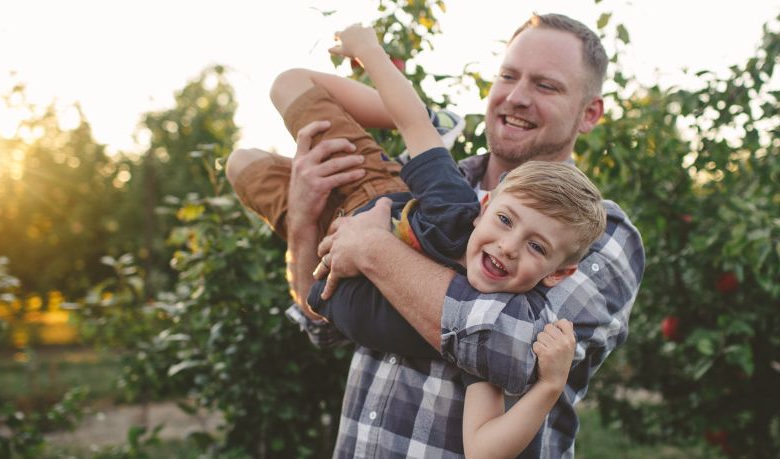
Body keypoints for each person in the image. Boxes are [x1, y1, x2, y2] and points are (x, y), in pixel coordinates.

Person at [233, 13, 645, 458]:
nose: (518, 96)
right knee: (246, 156)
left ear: (589, 114)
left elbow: (509, 346)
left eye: (546, 86)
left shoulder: (600, 234)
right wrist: (301, 227)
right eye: (508, 76)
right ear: (486, 209)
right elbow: (322, 325)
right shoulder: (443, 191)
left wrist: (373, 249)